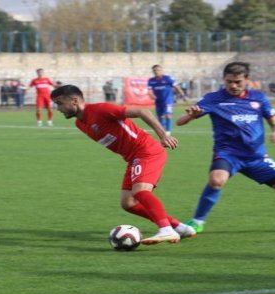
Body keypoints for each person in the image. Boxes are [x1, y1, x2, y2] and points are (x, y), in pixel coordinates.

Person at [176, 62, 275, 235]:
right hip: (228, 154)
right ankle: (196, 222)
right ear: (224, 80)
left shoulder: (258, 98)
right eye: (229, 81)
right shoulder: (213, 98)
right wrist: (191, 116)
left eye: (238, 82)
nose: (233, 85)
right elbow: (180, 121)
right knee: (216, 180)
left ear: (247, 80)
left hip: (257, 158)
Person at [51, 84, 196, 245]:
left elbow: (142, 111)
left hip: (145, 151)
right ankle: (180, 227)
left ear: (74, 100)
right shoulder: (80, 123)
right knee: (128, 203)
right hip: (132, 158)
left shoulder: (100, 109)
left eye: (59, 103)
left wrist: (163, 136)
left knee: (140, 192)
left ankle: (166, 229)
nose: (58, 108)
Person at [147, 64, 186, 136]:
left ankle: (168, 131)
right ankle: (163, 130)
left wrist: (183, 95)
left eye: (158, 70)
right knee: (160, 117)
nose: (156, 71)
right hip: (158, 102)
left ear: (161, 71)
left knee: (168, 115)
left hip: (168, 100)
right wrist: (151, 95)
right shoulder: (151, 81)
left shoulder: (168, 78)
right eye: (154, 70)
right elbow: (149, 91)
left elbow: (176, 87)